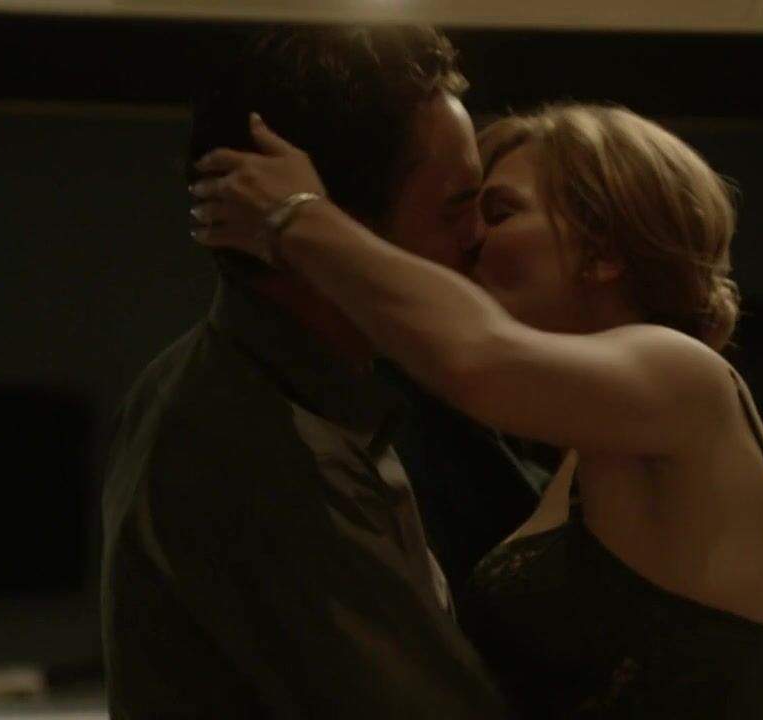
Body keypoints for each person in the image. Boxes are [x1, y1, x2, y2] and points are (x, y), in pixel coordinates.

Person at [190, 103, 763, 717]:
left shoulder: (683, 375)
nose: (473, 238)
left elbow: (476, 356)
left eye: (500, 213)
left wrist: (296, 215)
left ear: (604, 250)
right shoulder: (588, 449)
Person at [100, 26, 519, 718]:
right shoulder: (266, 447)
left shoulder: (229, 385)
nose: (480, 235)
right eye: (456, 208)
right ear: (336, 233)